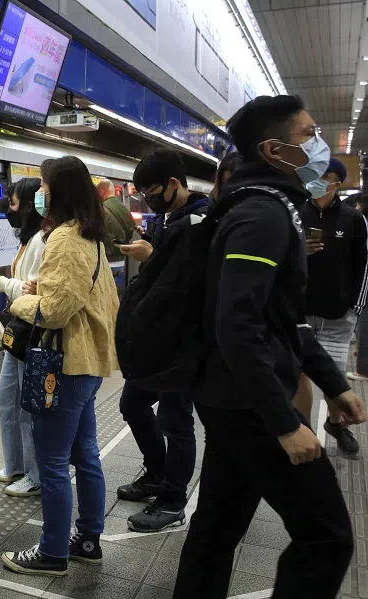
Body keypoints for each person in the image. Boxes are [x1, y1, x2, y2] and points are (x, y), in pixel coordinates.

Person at [173, 95, 366, 599]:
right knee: (327, 537)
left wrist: (332, 383)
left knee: (216, 527)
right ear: (275, 151)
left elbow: (284, 319)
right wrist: (285, 422)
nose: (321, 147)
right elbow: (237, 325)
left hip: (234, 397)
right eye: (308, 135)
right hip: (249, 405)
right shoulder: (262, 216)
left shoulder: (274, 207)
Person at [1, 156, 119, 576]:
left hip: (65, 362)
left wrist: (20, 299)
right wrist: (43, 291)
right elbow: (88, 299)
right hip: (86, 363)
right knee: (85, 453)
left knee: (52, 460)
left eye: (45, 187)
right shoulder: (93, 236)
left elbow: (52, 312)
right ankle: (87, 538)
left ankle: (52, 552)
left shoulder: (65, 239)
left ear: (59, 191)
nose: (40, 194)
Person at [111, 150, 210, 532]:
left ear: (174, 183)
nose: (148, 199)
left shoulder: (198, 223)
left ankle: (172, 500)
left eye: (152, 191)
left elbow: (183, 285)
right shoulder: (173, 218)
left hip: (182, 342)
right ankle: (156, 471)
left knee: (176, 420)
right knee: (132, 403)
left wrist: (151, 255)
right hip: (159, 340)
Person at [298, 158, 367, 455]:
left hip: (337, 316)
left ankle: (337, 425)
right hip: (298, 313)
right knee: (298, 378)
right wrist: (298, 250)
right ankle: (303, 430)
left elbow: (364, 266)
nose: (314, 180)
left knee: (335, 380)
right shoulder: (296, 213)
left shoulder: (352, 219)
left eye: (321, 176)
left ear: (337, 182)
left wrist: (355, 309)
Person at [0, 177, 44, 497]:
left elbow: (36, 290)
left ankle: (34, 475)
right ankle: (16, 465)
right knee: (7, 400)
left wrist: (5, 285)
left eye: (14, 202)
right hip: (17, 330)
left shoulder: (42, 242)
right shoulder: (27, 238)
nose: (9, 208)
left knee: (27, 407)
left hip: (30, 332)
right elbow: (26, 285)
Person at [99, 178, 135, 262]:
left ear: (101, 192)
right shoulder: (125, 209)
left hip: (107, 259)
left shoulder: (100, 210)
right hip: (123, 257)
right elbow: (131, 230)